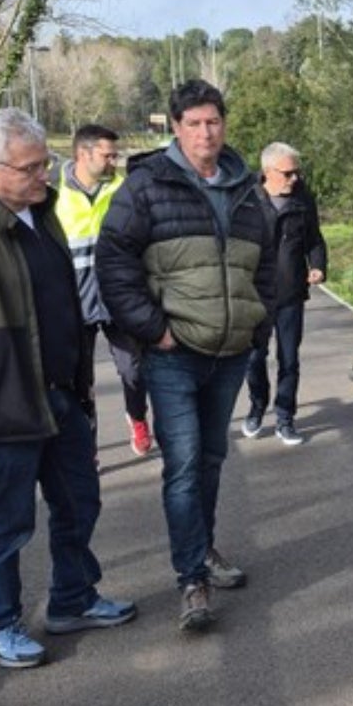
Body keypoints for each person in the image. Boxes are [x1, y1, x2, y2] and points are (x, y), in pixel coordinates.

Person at [0, 108, 136, 669]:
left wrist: (81, 387)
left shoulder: (44, 214)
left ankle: (72, 598)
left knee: (79, 502)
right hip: (2, 406)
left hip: (62, 394)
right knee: (4, 522)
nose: (44, 177)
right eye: (31, 168)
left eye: (46, 165)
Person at [96, 80, 268, 631]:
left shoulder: (245, 188)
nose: (204, 132)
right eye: (193, 123)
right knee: (186, 462)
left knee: (212, 459)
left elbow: (263, 266)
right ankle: (191, 579)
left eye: (212, 121)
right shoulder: (146, 186)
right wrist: (154, 329)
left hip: (229, 352)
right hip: (173, 352)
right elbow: (114, 264)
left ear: (225, 124)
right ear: (174, 127)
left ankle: (204, 547)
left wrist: (254, 319)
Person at [55, 123, 153, 456]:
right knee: (82, 383)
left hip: (118, 298)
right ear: (83, 154)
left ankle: (137, 417)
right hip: (75, 302)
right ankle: (88, 448)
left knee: (133, 369)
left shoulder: (124, 189)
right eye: (108, 155)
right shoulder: (55, 195)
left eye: (116, 155)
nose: (114, 161)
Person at [241, 142, 328, 446]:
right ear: (268, 172)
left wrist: (317, 266)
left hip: (291, 294)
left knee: (289, 360)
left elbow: (315, 239)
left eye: (297, 172)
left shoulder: (303, 199)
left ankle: (285, 418)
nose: (294, 179)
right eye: (288, 173)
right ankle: (256, 407)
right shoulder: (246, 198)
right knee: (254, 359)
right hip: (255, 295)